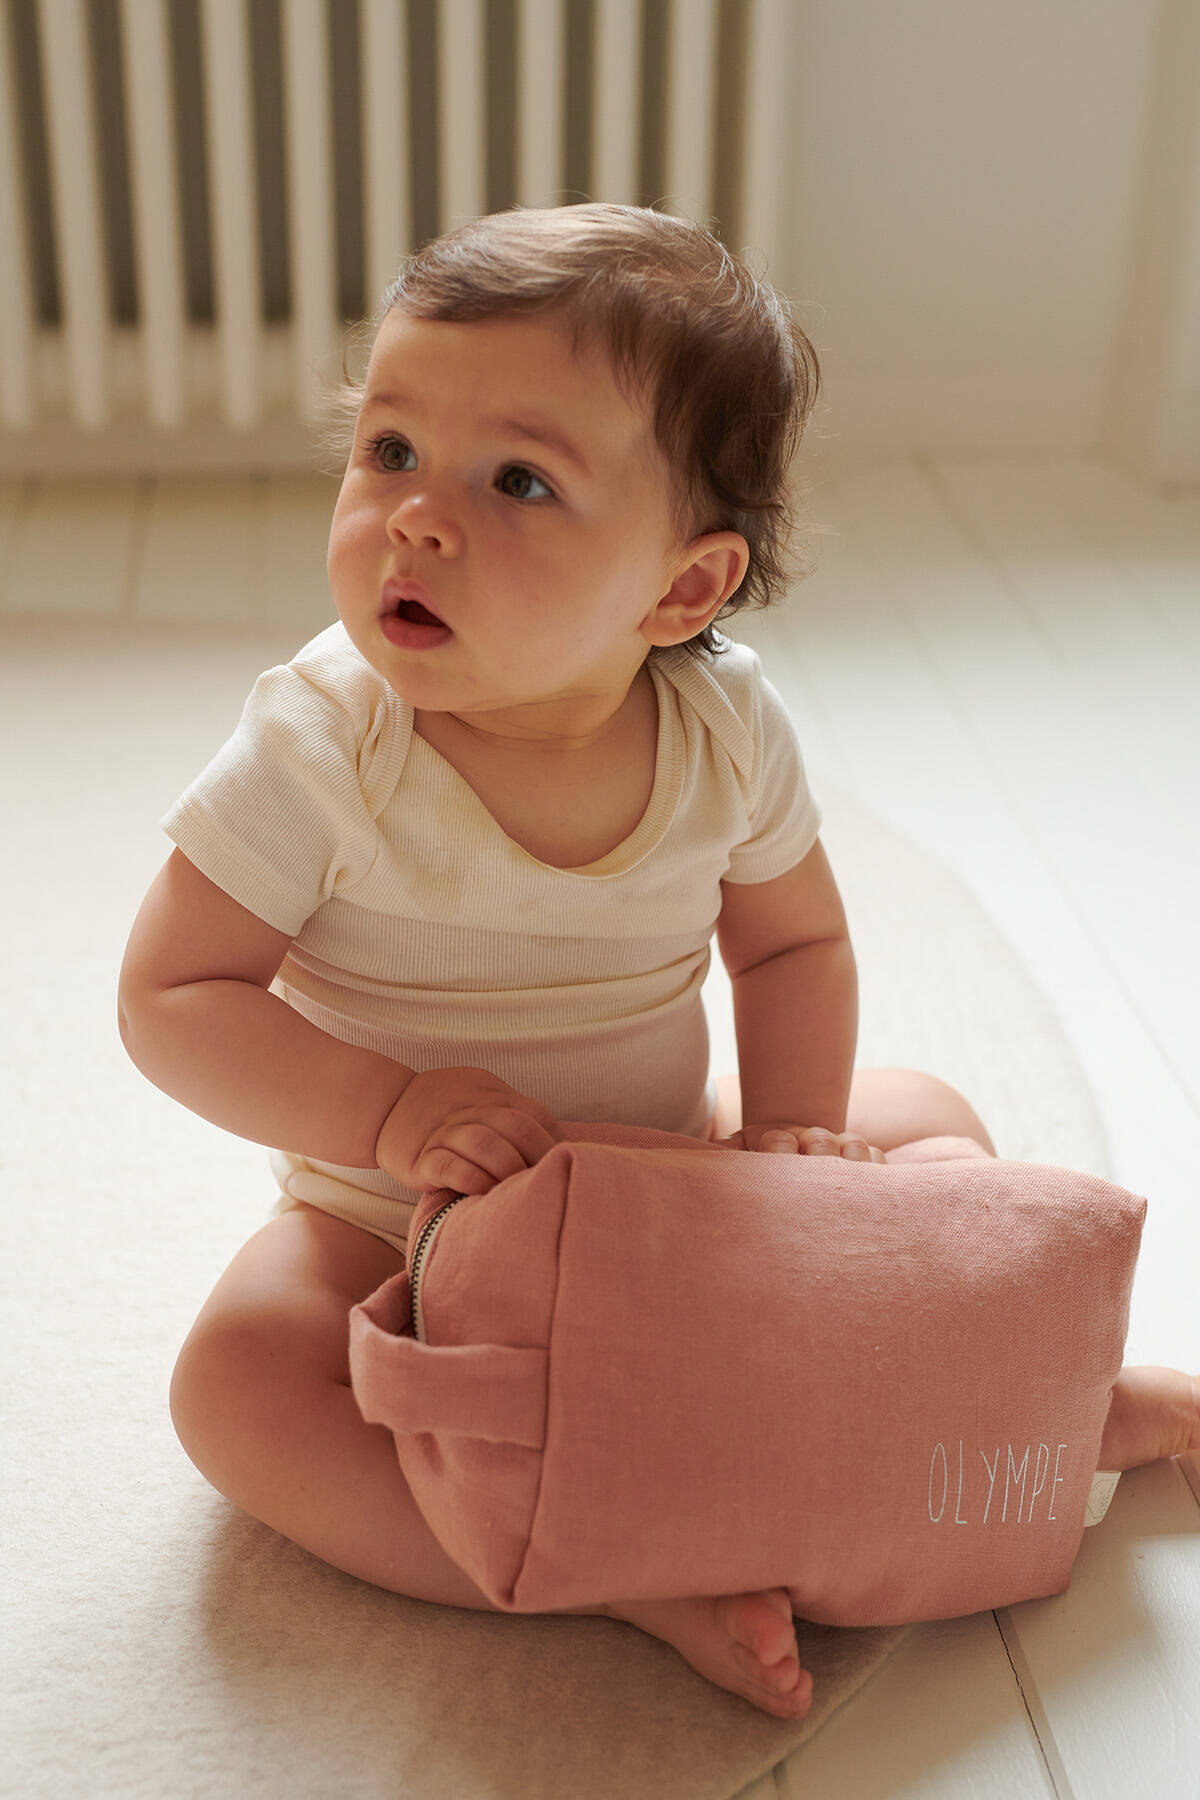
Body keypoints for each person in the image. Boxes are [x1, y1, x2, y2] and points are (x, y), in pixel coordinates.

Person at [117, 203, 1199, 1722]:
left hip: (674, 1183)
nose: (415, 518)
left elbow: (795, 940)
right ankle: (607, 1567)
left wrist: (794, 1142)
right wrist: (386, 1116)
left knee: (923, 1121)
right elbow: (172, 997)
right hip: (397, 1230)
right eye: (388, 450)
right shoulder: (317, 745)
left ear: (681, 593)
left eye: (519, 482)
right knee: (237, 1386)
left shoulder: (722, 733)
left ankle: (1057, 1407)